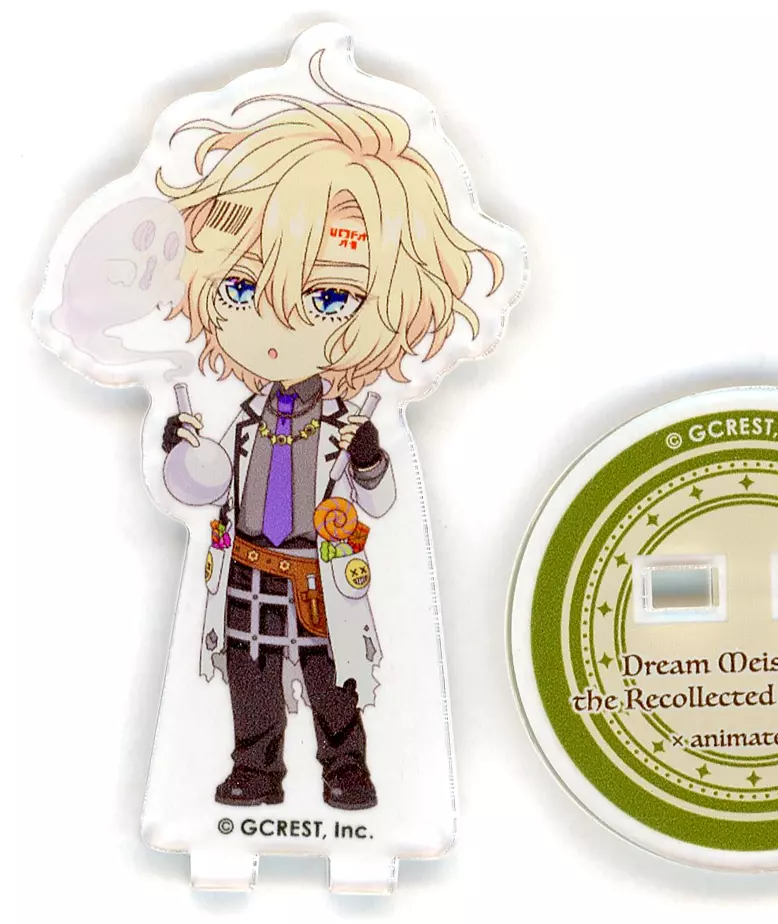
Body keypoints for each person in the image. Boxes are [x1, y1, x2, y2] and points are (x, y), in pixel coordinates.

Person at [158, 50, 503, 809]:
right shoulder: (243, 421)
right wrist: (180, 449)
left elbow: (376, 501)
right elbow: (206, 482)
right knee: (249, 676)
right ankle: (255, 770)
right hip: (246, 567)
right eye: (241, 287)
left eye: (327, 298)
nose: (276, 323)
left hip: (320, 573)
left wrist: (370, 460)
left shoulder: (349, 424)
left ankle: (347, 772)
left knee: (332, 677)